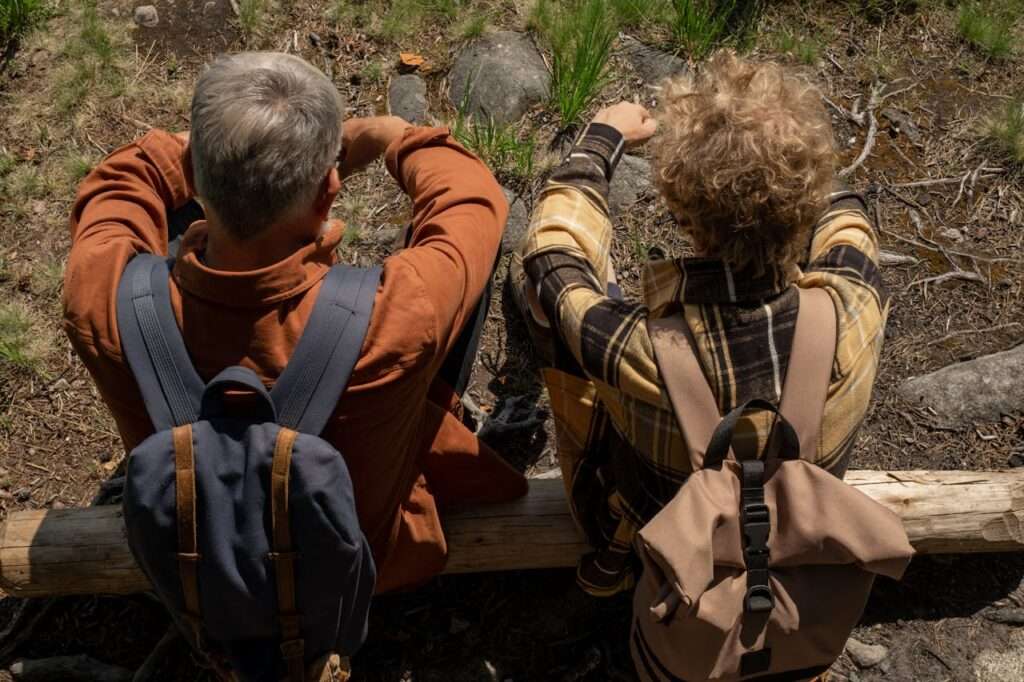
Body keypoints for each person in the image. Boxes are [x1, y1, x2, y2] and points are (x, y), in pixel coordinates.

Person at [63, 51, 527, 595]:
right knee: (468, 261)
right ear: (329, 191)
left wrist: (219, 150)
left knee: (170, 233)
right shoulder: (398, 316)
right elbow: (473, 198)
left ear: (192, 175)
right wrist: (392, 135)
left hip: (196, 561)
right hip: (362, 562)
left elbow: (119, 184)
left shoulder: (102, 298)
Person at [511, 51, 887, 597]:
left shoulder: (638, 348)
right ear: (805, 209)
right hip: (795, 539)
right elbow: (849, 224)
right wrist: (793, 167)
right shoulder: (856, 305)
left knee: (547, 304)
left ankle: (614, 561)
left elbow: (552, 253)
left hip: (659, 538)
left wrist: (600, 138)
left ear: (683, 215)